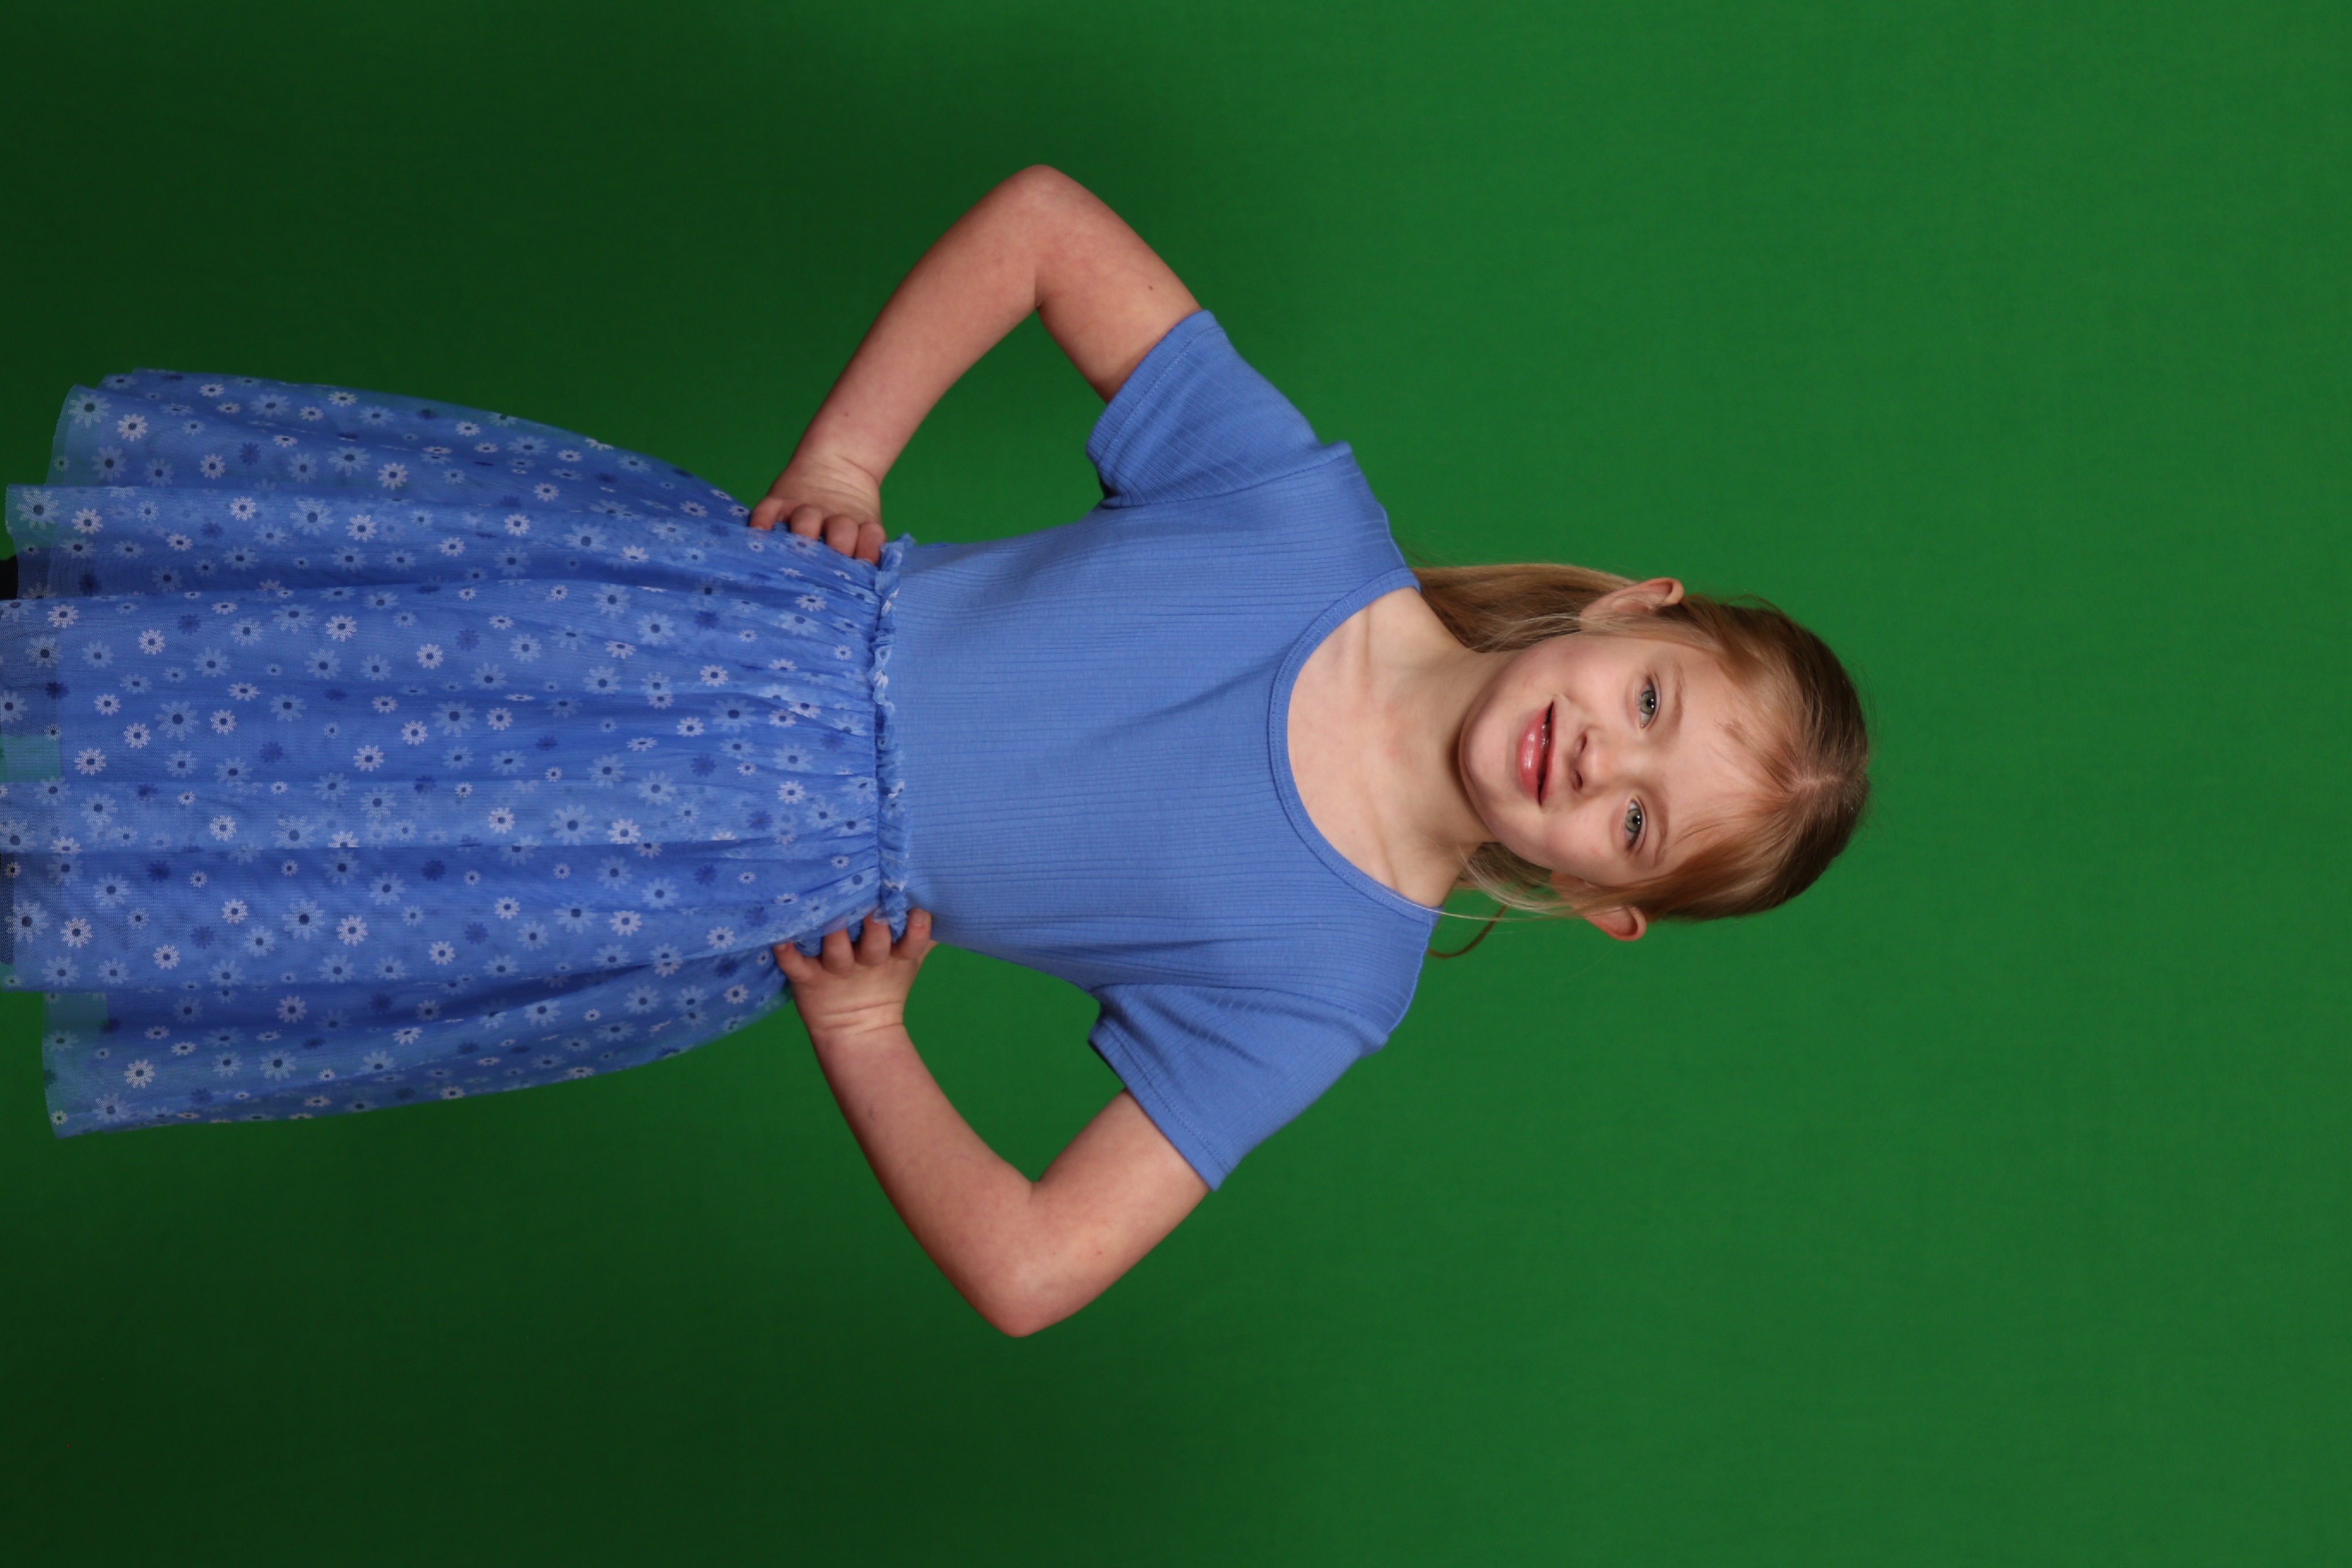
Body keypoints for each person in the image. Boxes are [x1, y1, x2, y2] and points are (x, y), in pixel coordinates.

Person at [1, 167, 1868, 1335]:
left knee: (233, 858)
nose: (1598, 763)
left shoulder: (1327, 986)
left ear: (1611, 903)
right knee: (205, 651)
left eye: (1643, 823)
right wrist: (848, 454)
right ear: (1636, 607)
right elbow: (1045, 227)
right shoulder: (1298, 514)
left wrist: (868, 1038)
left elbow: (1034, 1270)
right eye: (1652, 705)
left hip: (682, 880)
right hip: (686, 618)